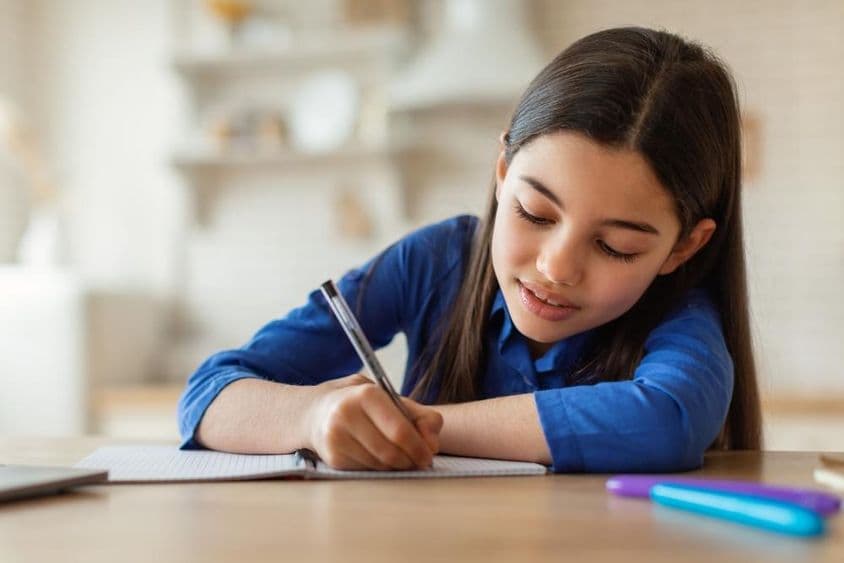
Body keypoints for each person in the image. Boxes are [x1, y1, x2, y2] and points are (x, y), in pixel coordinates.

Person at [177, 27, 762, 473]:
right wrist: (311, 416)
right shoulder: (435, 262)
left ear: (683, 247)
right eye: (534, 213)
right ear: (503, 172)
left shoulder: (678, 312)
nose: (556, 267)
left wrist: (416, 425)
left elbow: (667, 419)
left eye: (616, 246)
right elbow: (209, 393)